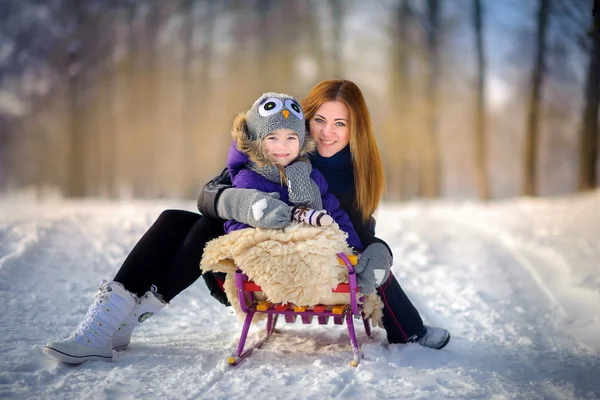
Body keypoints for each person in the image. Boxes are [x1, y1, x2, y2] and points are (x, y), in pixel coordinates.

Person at [44, 79, 449, 365]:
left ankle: (122, 320)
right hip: (241, 269)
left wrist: (383, 263)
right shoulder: (275, 151)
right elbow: (208, 195)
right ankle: (112, 321)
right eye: (320, 121)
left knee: (205, 229)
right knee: (174, 219)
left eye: (340, 123)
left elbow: (364, 237)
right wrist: (242, 202)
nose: (327, 133)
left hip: (283, 275)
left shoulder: (347, 178)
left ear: (356, 128)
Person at [221, 91, 364, 255]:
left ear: (302, 141)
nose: (282, 146)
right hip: (272, 262)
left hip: (315, 259)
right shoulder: (249, 179)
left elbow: (335, 214)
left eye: (291, 138)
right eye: (272, 138)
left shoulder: (310, 175)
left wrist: (353, 248)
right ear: (256, 142)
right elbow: (238, 226)